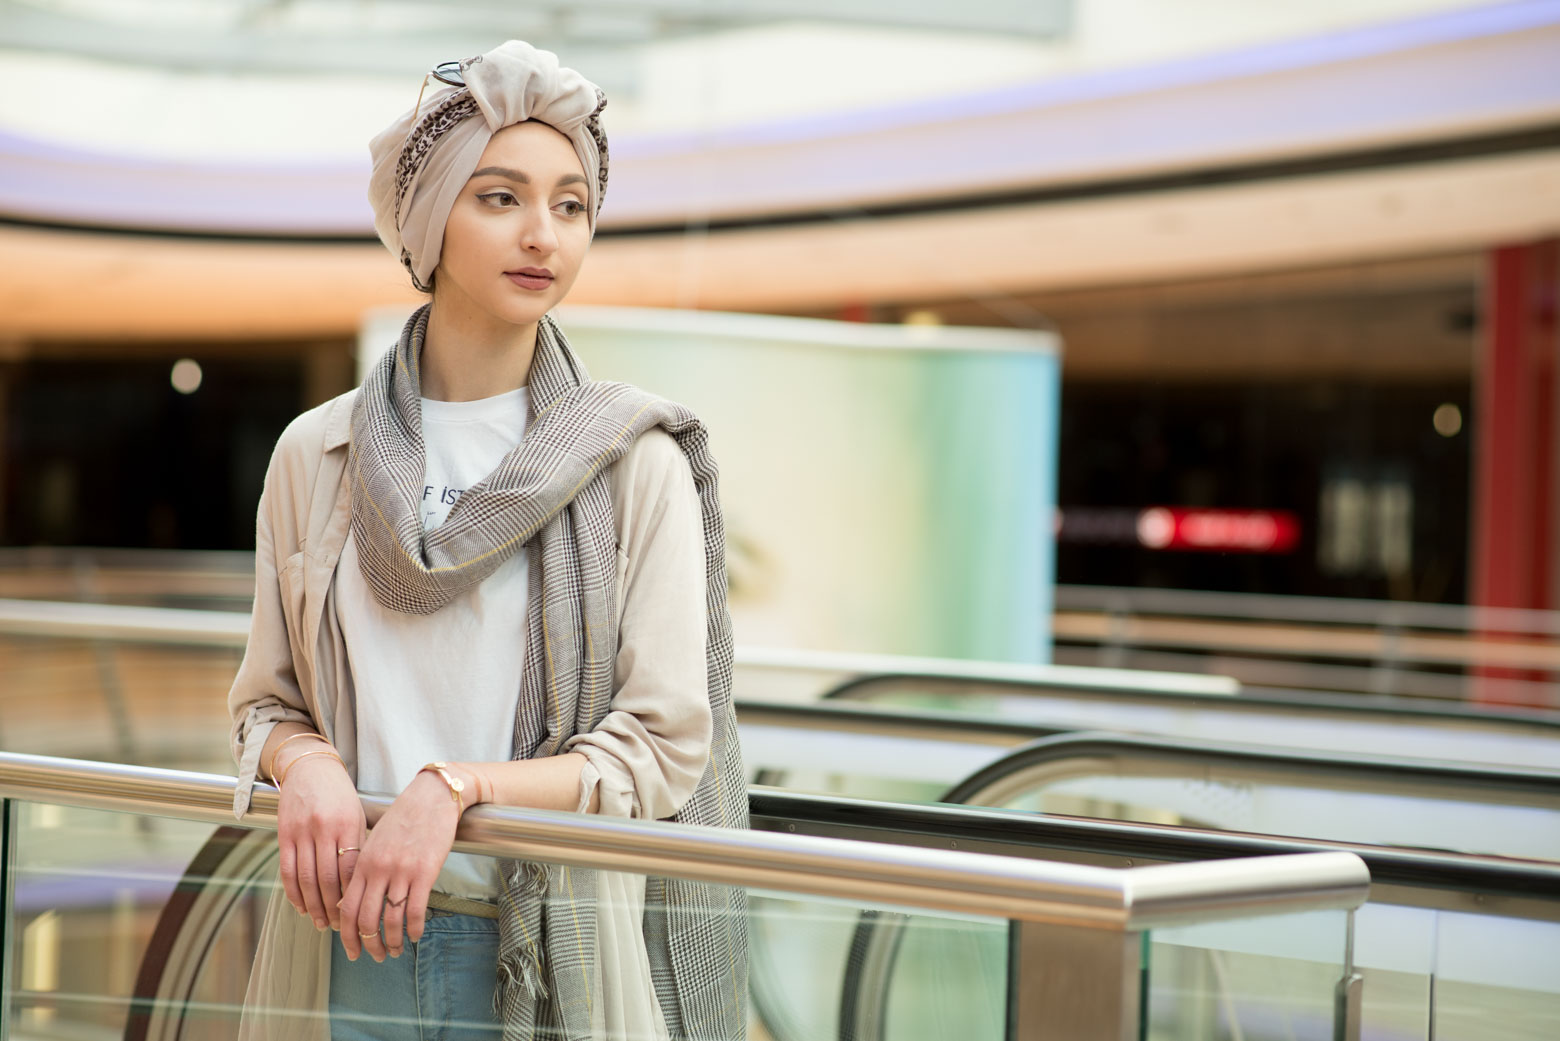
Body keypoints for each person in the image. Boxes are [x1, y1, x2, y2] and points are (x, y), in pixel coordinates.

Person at [225, 38, 748, 1041]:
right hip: (345, 942)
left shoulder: (633, 463)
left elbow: (663, 747)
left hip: (551, 954)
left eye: (571, 204)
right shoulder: (317, 454)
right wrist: (310, 768)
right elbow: (266, 704)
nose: (542, 234)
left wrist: (455, 793)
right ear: (431, 217)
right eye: (500, 196)